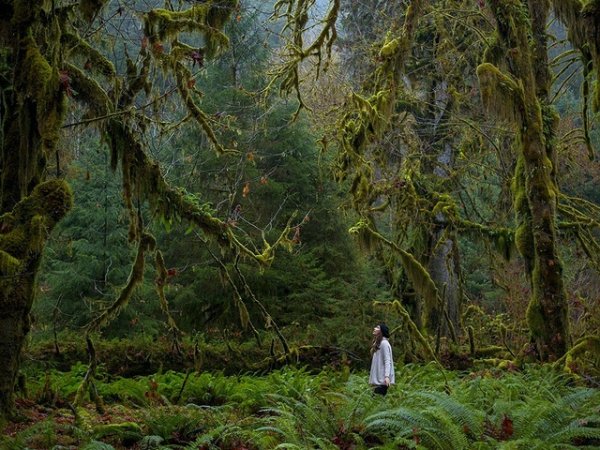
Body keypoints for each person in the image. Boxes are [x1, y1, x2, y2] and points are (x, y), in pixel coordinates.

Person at [369, 323, 395, 395]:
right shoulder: (379, 344)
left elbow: (387, 361)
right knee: (375, 403)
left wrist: (387, 377)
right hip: (378, 381)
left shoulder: (384, 344)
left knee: (376, 402)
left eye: (377, 327)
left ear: (381, 331)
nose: (374, 328)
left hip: (382, 381)